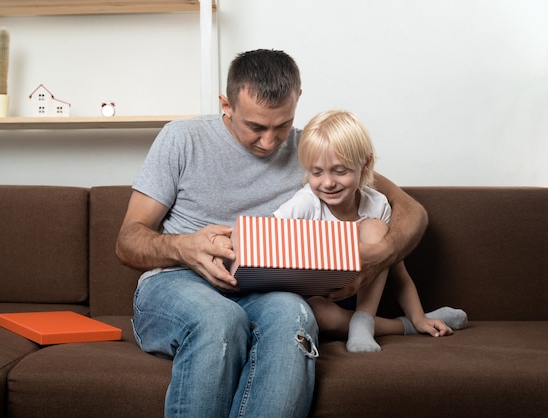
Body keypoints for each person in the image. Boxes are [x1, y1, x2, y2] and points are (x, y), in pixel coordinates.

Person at [116, 49, 427, 417]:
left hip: (263, 291)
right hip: (177, 283)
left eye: (281, 126)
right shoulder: (182, 139)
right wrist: (184, 247)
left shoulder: (311, 152)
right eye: (256, 127)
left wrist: (377, 257)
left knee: (295, 316)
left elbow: (414, 213)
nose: (269, 141)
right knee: (220, 319)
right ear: (226, 105)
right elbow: (128, 240)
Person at [274, 110, 467, 353]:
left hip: (367, 297)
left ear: (364, 164)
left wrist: (420, 316)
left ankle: (365, 321)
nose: (328, 182)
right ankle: (401, 327)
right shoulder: (305, 203)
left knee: (375, 228)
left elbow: (398, 272)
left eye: (340, 170)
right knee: (317, 311)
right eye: (316, 172)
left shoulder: (377, 204)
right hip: (324, 301)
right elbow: (267, 237)